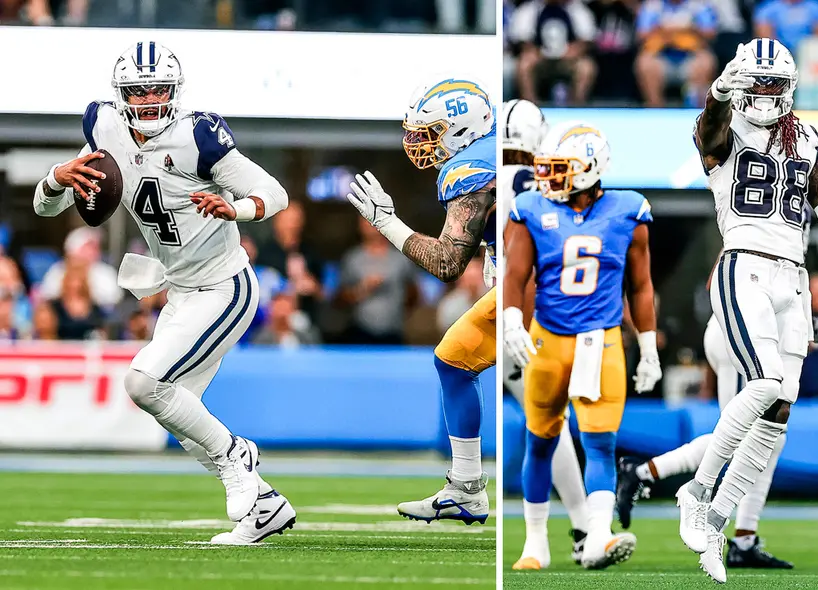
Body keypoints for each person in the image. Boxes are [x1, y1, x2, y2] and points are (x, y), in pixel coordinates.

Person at [32, 41, 293, 545]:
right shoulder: (104, 128)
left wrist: (236, 209)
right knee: (183, 417)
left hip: (224, 285)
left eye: (159, 89)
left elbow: (274, 194)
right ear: (121, 94)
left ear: (175, 90)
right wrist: (55, 178)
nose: (150, 99)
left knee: (143, 383)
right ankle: (265, 508)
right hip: (180, 291)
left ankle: (237, 454)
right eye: (139, 90)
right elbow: (48, 208)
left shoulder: (198, 136)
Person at [679, 38, 818, 583]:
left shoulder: (804, 136)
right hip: (745, 264)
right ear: (739, 82)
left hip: (794, 277)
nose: (764, 92)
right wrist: (719, 90)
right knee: (763, 384)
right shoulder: (724, 127)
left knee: (780, 411)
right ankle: (696, 490)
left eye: (774, 83)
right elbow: (709, 127)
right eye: (756, 81)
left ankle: (718, 522)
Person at [616, 210, 818, 571]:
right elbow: (725, 276)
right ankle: (653, 477)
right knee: (748, 431)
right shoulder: (767, 216)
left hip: (750, 329)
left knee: (767, 435)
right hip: (738, 329)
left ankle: (743, 533)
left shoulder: (793, 217)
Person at [504, 121, 662, 570]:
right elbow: (516, 274)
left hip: (601, 340)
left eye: (560, 168)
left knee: (599, 443)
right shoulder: (529, 207)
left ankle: (597, 537)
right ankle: (535, 541)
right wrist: (513, 319)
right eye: (547, 167)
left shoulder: (628, 210)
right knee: (540, 441)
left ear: (591, 168)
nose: (548, 177)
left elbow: (641, 286)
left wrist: (648, 347)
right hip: (547, 339)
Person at [346, 77, 496, 525]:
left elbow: (448, 263)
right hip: (528, 285)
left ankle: (585, 513)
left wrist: (387, 223)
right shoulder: (503, 149)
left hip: (534, 292)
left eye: (430, 133)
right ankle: (466, 487)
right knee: (453, 359)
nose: (420, 143)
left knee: (544, 404)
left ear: (462, 129)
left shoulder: (470, 168)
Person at [501, 100, 591, 565]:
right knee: (550, 423)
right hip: (531, 312)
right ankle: (582, 527)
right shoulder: (542, 185)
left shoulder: (482, 175)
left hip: (490, 308)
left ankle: (464, 483)